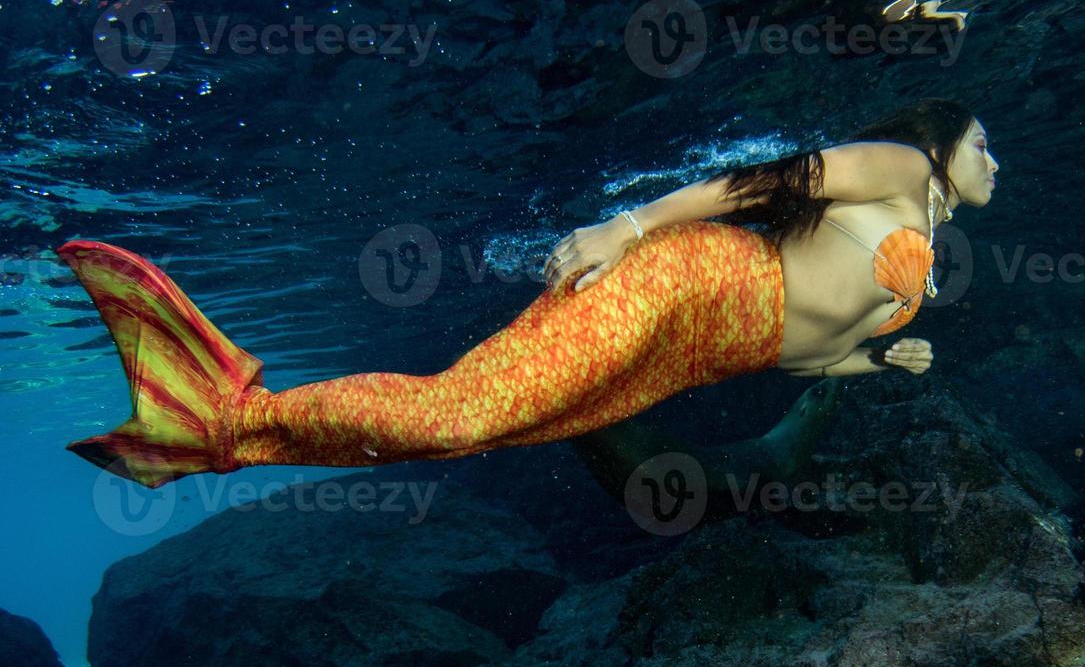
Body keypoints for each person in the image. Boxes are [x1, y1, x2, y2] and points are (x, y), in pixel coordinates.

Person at [58, 99, 999, 488]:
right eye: (984, 142)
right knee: (460, 412)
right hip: (683, 281)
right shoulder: (902, 164)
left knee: (489, 430)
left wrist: (869, 360)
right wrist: (629, 228)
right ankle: (225, 402)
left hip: (706, 353)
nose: (993, 159)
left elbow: (800, 350)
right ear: (940, 138)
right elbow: (763, 183)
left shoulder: (926, 231)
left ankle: (222, 441)